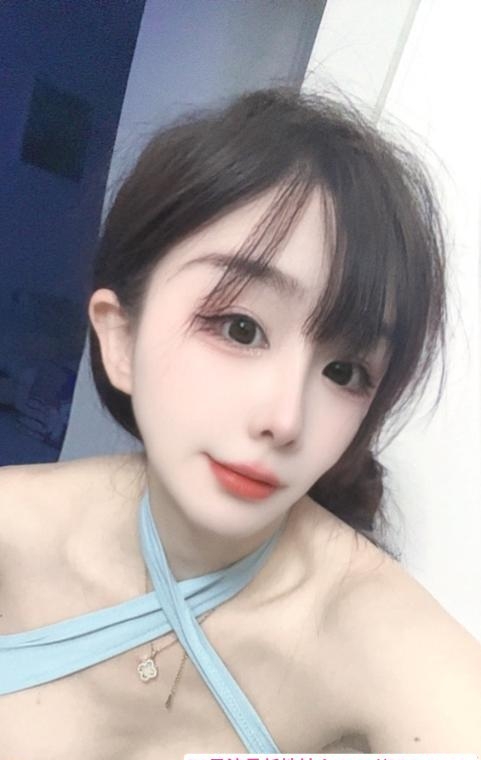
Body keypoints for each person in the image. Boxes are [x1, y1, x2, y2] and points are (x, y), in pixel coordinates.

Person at [0, 88, 480, 757]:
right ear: (120, 336)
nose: (285, 419)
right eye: (240, 328)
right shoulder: (12, 534)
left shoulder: (366, 629)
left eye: (344, 372)